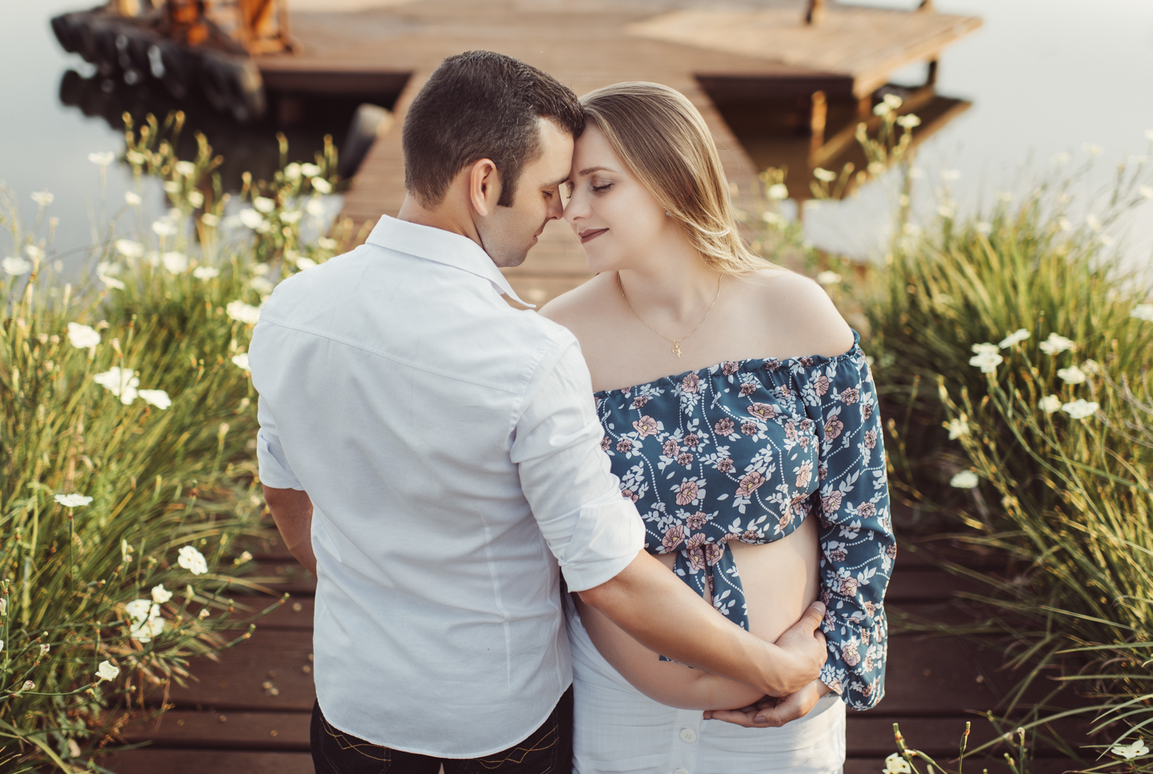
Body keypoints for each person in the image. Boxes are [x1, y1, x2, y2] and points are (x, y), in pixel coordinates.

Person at [248, 53, 829, 774]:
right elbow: (608, 573)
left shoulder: (291, 311)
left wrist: (374, 587)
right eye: (552, 190)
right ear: (485, 183)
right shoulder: (530, 352)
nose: (562, 212)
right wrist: (780, 671)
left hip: (352, 706)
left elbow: (284, 492)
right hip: (495, 728)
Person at [539, 82, 896, 774]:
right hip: (617, 708)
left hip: (789, 708)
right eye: (564, 190)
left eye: (599, 186)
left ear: (671, 177)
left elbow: (861, 512)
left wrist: (829, 671)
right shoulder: (558, 337)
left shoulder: (795, 312)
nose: (572, 210)